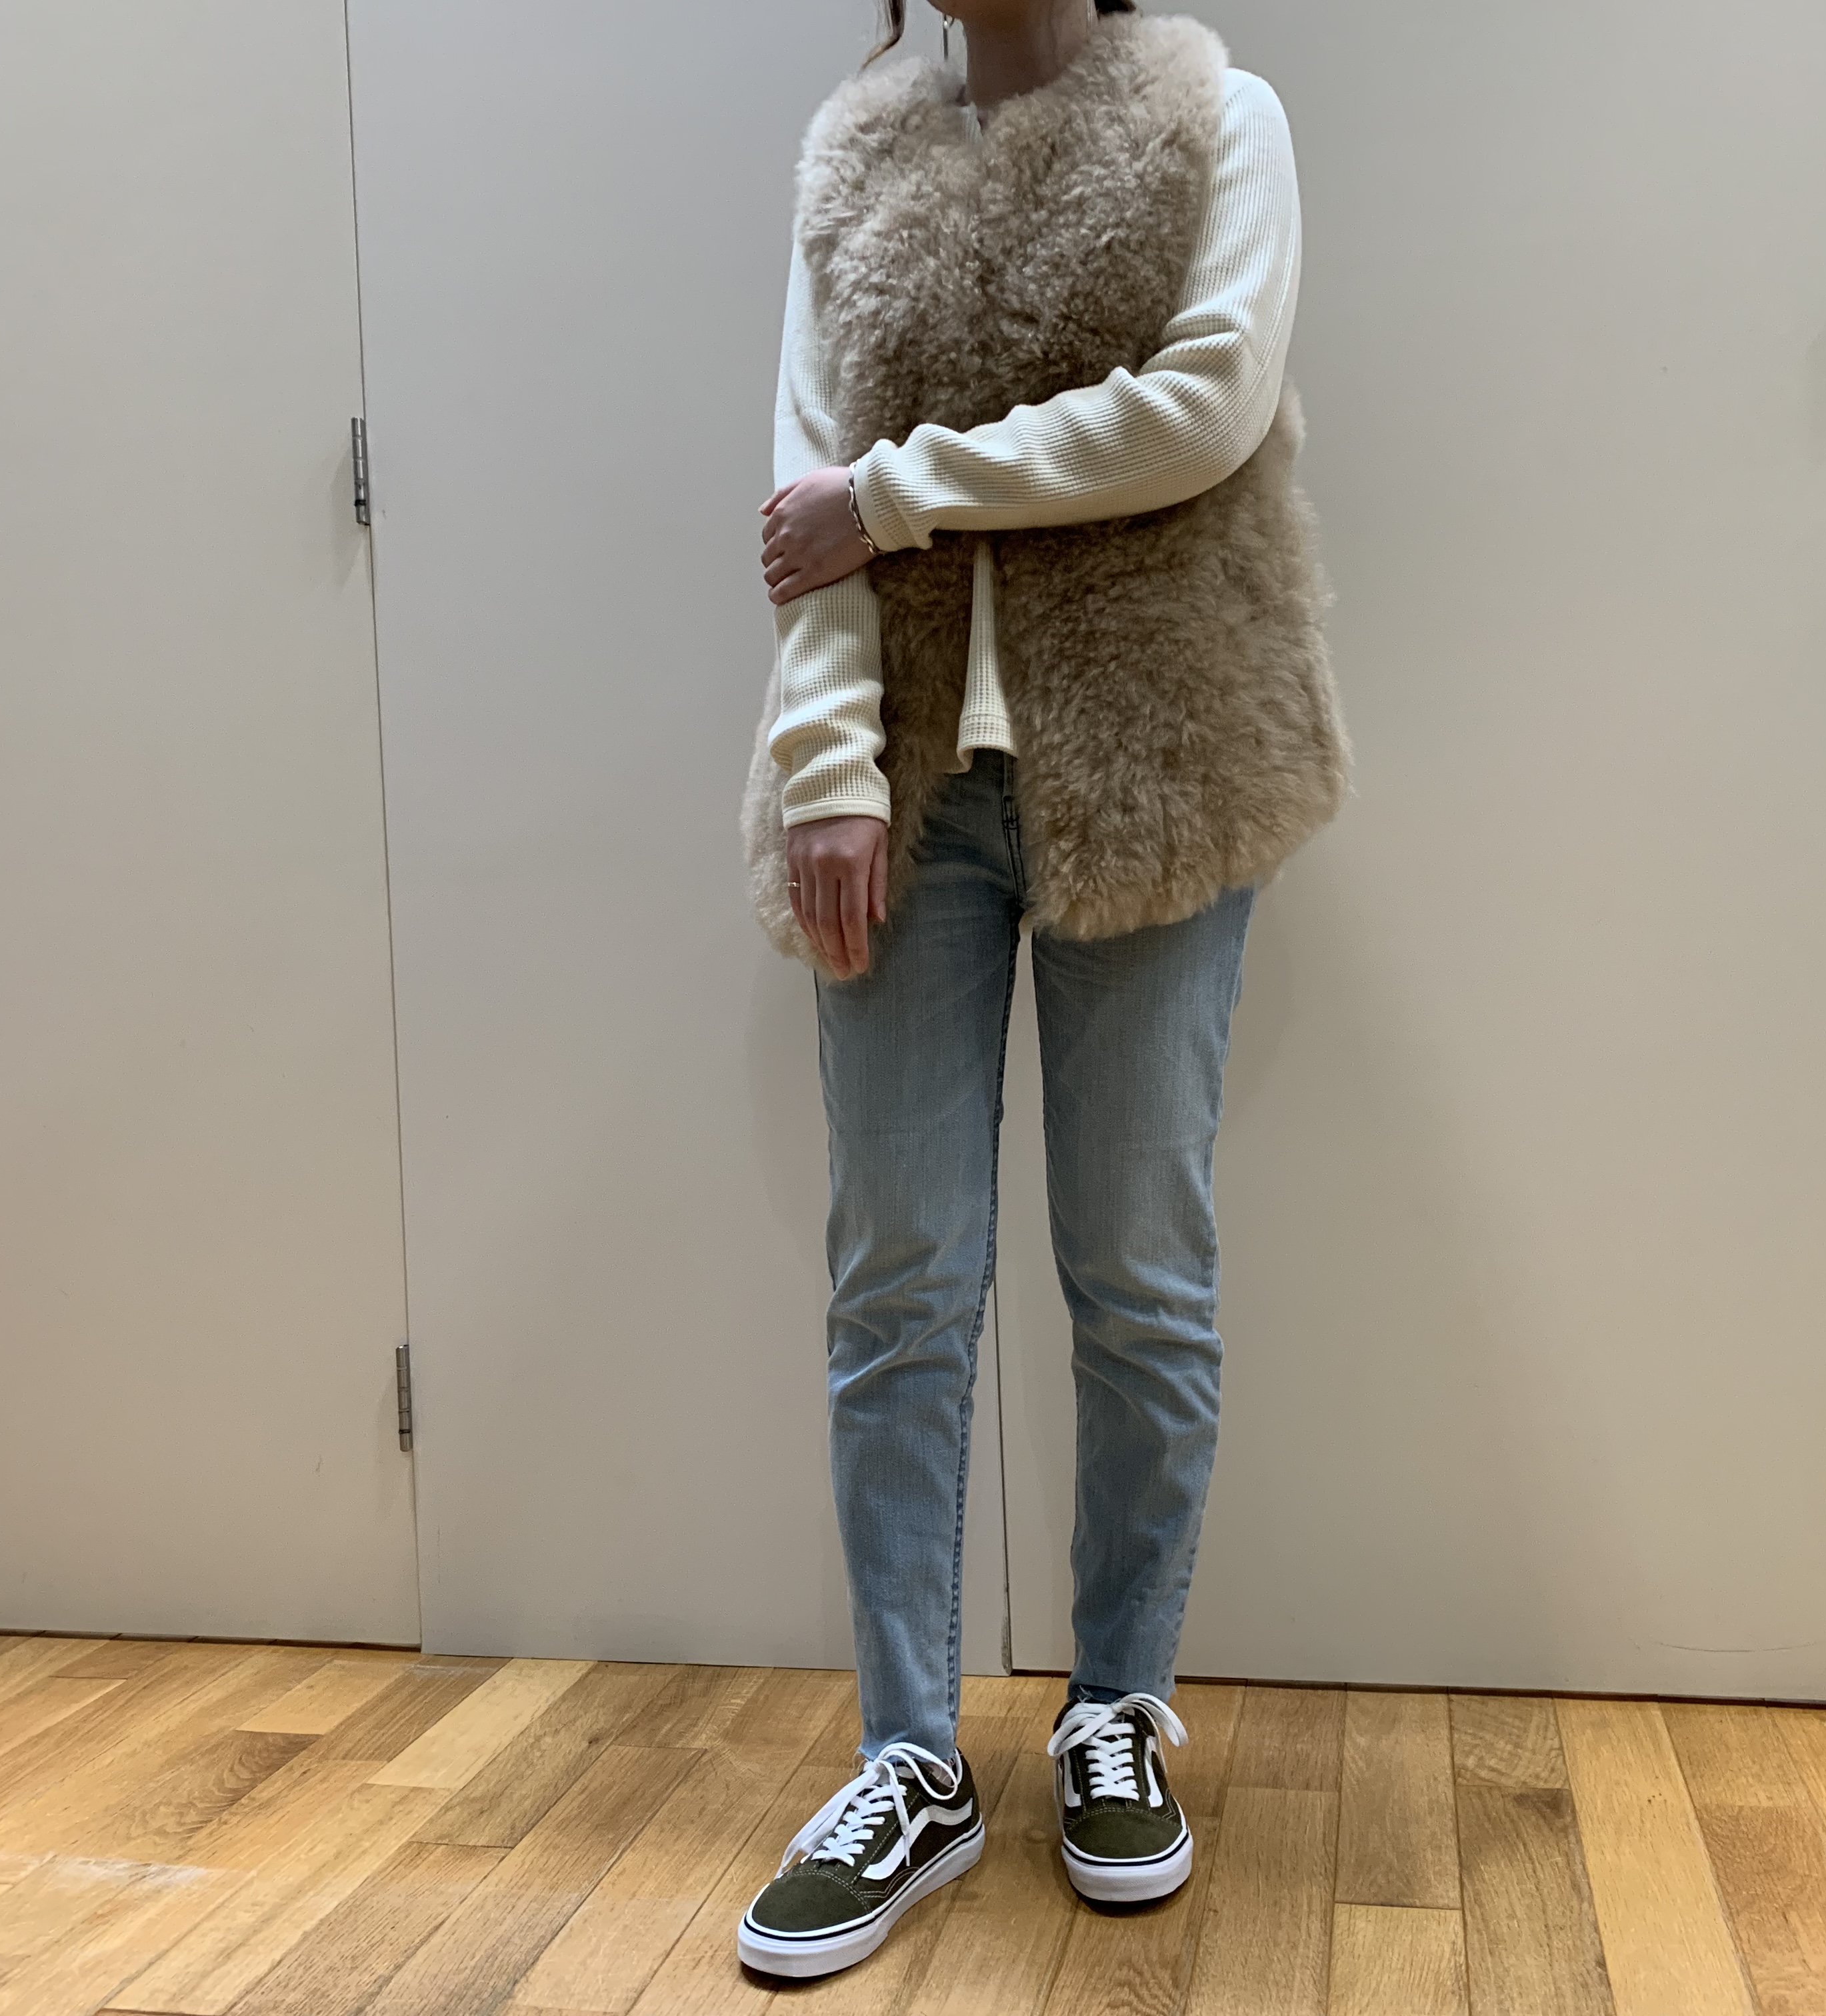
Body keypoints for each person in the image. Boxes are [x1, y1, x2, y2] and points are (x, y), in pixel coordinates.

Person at [734, 0, 1345, 1979]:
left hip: (1158, 751)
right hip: (904, 786)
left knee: (1139, 1272)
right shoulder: (853, 156)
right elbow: (799, 499)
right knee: (895, 1282)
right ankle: (908, 1757)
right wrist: (828, 771)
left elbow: (1205, 405)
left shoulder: (1216, 114)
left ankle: (1118, 1709)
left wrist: (899, 494)